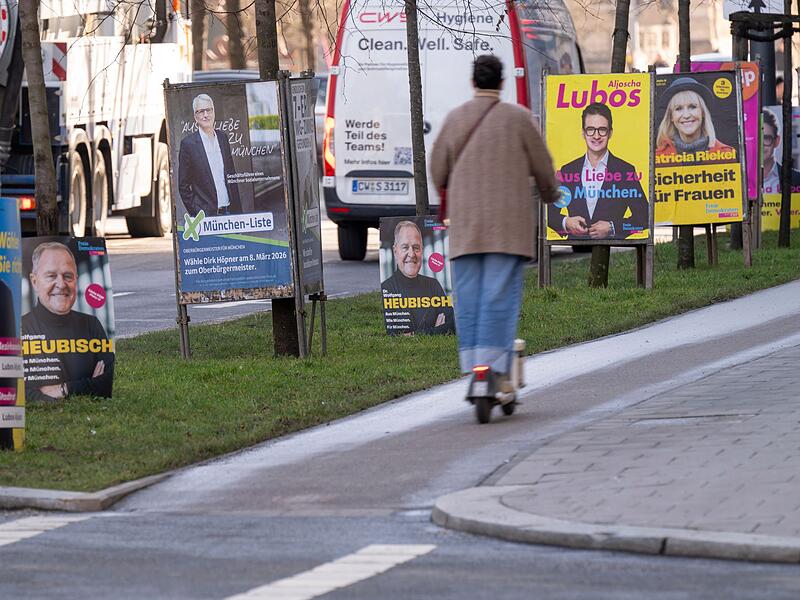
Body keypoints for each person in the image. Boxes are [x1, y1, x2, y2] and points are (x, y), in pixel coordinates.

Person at [430, 54, 559, 386]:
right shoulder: (518, 119)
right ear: (502, 83)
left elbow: (437, 170)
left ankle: (473, 365)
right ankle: (494, 367)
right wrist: (550, 194)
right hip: (508, 229)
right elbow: (544, 167)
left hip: (466, 227)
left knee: (469, 298)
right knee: (499, 297)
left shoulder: (455, 119)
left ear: (473, 82)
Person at [22, 242, 114, 401]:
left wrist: (65, 389)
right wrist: (90, 384)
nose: (61, 284)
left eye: (68, 276)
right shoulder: (20, 328)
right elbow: (18, 392)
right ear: (34, 281)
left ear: (76, 280)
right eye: (51, 276)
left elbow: (108, 382)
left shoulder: (90, 324)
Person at [547, 102, 648, 239]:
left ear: (610, 133)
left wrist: (613, 227)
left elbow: (644, 217)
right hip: (577, 249)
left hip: (612, 250)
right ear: (583, 133)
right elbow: (549, 213)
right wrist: (566, 222)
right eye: (590, 129)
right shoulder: (568, 170)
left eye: (602, 130)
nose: (596, 136)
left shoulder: (625, 170)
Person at [381, 220, 454, 335]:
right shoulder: (387, 288)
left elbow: (452, 325)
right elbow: (393, 334)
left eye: (416, 248)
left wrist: (414, 334)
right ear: (395, 251)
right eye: (405, 247)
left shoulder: (433, 285)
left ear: (422, 250)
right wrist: (436, 330)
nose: (411, 254)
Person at [178, 93, 242, 216]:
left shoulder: (223, 138)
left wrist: (238, 213)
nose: (206, 115)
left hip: (230, 212)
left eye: (208, 110)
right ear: (195, 116)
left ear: (214, 112)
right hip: (207, 217)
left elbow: (231, 176)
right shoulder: (188, 145)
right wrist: (197, 212)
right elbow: (183, 186)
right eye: (201, 111)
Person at [655, 76, 735, 158]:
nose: (686, 115)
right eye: (678, 109)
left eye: (692, 107)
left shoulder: (726, 154)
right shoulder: (658, 157)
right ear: (671, 116)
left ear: (703, 112)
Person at [762, 108, 800, 194]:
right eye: (757, 138)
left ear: (777, 141)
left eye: (766, 138)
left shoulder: (796, 179)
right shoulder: (739, 179)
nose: (761, 144)